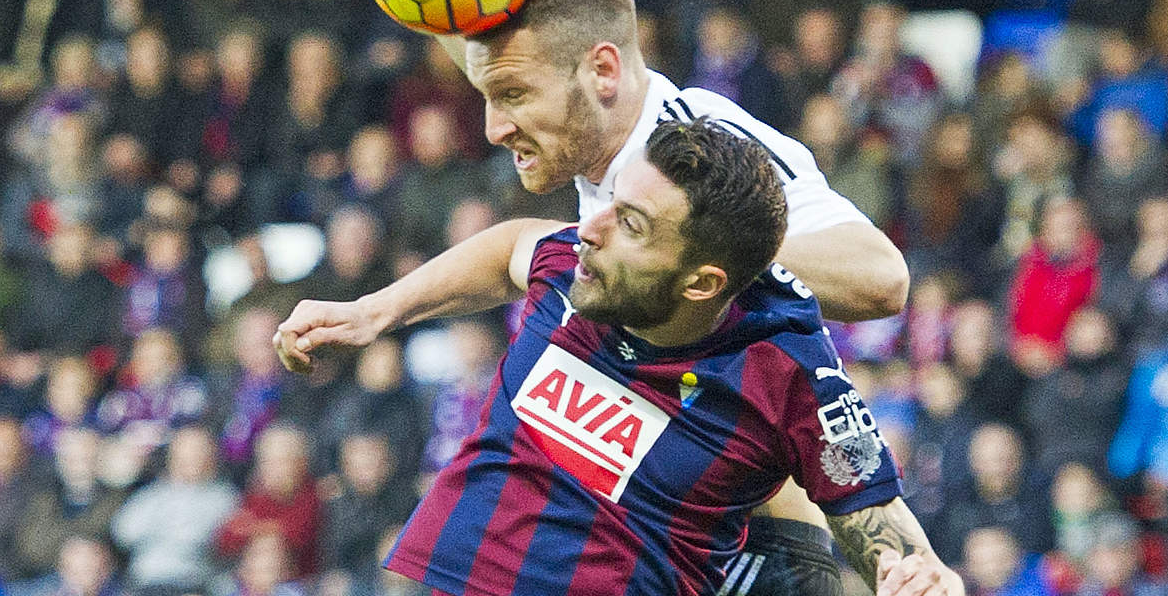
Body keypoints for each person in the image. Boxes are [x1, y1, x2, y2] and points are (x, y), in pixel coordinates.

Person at [278, 0, 912, 593]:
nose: (493, 127)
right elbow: (518, 218)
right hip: (649, 505)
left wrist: (690, 235)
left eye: (511, 99)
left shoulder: (695, 147)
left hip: (753, 536)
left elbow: (882, 280)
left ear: (603, 70)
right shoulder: (587, 130)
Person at [282, 119, 958, 595]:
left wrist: (915, 576)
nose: (590, 229)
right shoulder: (579, 263)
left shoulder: (791, 372)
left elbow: (879, 519)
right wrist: (375, 311)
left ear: (702, 283)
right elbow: (513, 245)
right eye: (611, 204)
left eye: (631, 224)